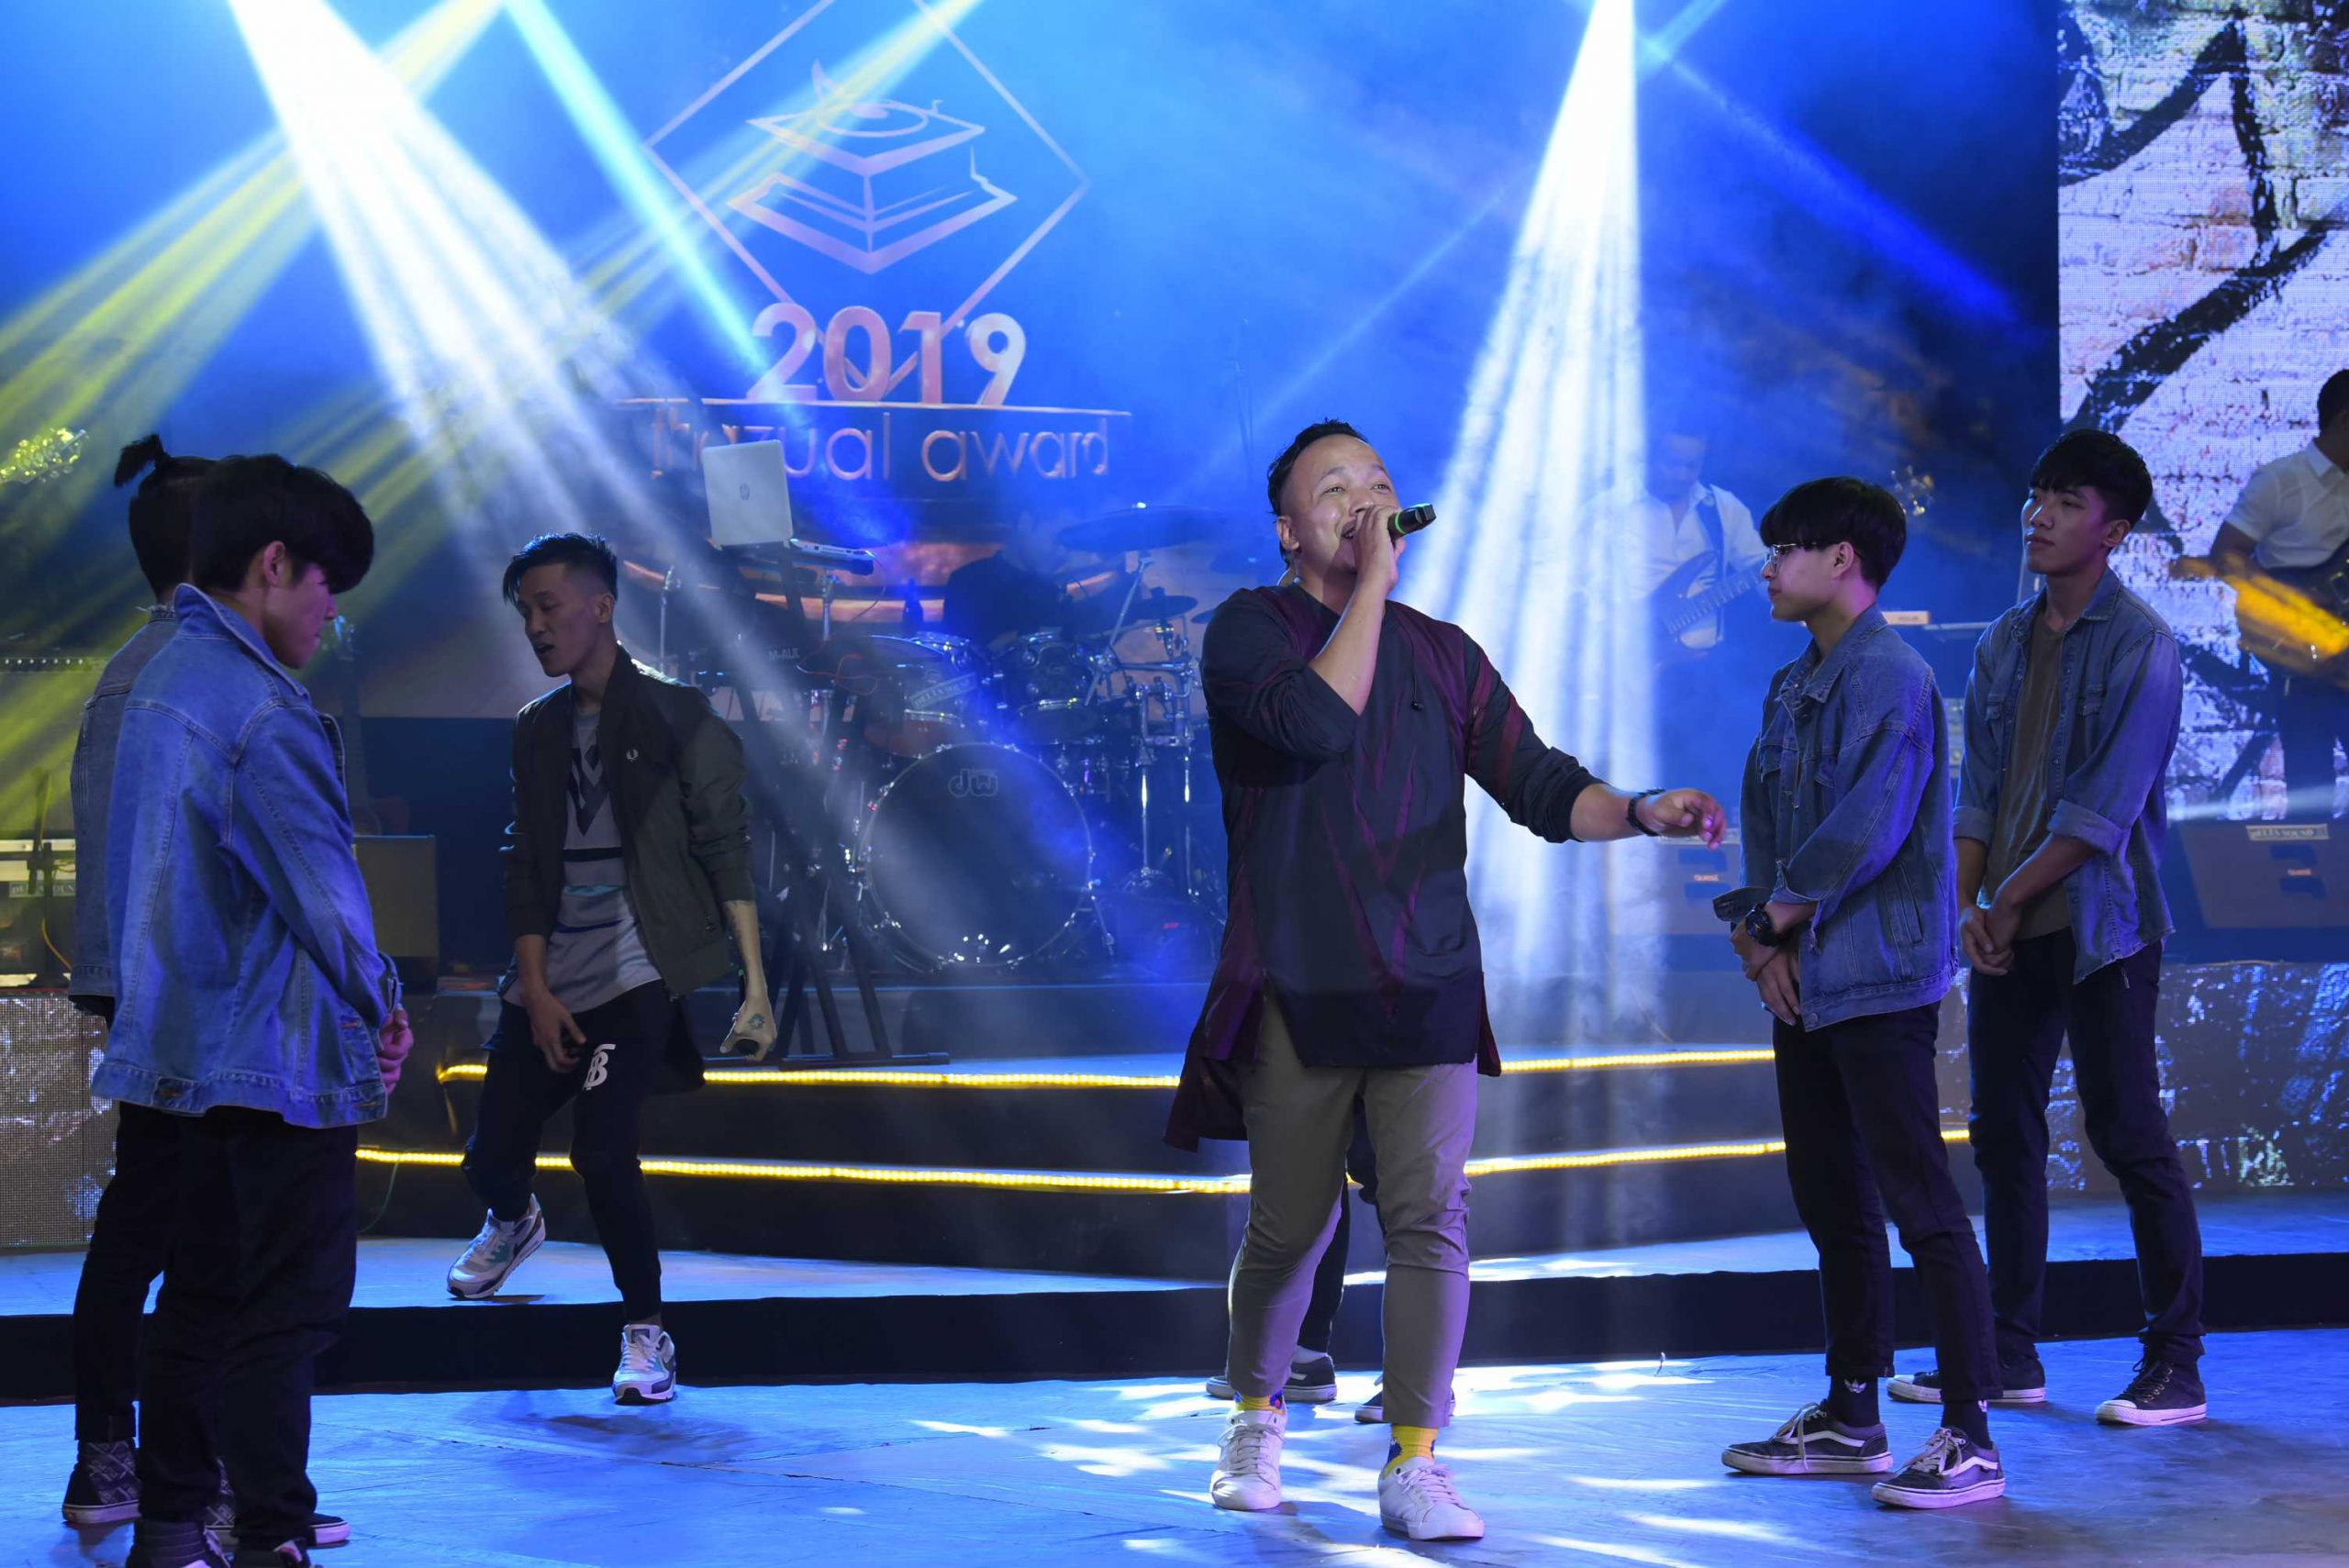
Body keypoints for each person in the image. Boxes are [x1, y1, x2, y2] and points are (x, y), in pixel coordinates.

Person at [1169, 418, 1726, 1542]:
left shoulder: (1445, 653)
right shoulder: (1248, 630)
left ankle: (1416, 1456)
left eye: (1377, 481)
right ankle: (1255, 1417)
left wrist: (1637, 809)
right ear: (1288, 531)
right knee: (1290, 1226)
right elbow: (1316, 721)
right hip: (1295, 979)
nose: (1364, 499)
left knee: (1431, 1220)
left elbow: (1538, 782)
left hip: (1424, 975)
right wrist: (1372, 587)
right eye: (1335, 488)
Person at [103, 455, 412, 1568]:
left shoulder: (156, 681)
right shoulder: (263, 709)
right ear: (274, 563)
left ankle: (172, 1522)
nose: (333, 611)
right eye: (328, 583)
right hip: (275, 1059)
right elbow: (324, 891)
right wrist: (382, 1000)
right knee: (287, 1306)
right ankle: (272, 1529)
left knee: (196, 1298)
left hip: (180, 1053)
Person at [1885, 430, 2205, 1425]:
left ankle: (2176, 1363)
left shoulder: (2143, 643)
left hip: (2103, 924)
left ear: (2113, 531)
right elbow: (1976, 791)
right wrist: (1968, 904)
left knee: (2126, 1131)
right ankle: (2006, 1353)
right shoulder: (2003, 640)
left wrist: (2005, 899)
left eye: (2067, 501)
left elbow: (2102, 812)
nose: (2040, 514)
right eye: (2037, 495)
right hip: (2008, 921)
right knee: (2003, 1135)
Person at [1718, 476, 2006, 1509]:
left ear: (1842, 558)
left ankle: (1971, 1432)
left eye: (1784, 548)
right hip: (1805, 973)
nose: (1767, 568)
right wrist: (1764, 943)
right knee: (1833, 1199)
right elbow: (1765, 817)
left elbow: (1866, 830)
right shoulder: (1793, 682)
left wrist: (1772, 923)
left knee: (1920, 1202)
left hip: (1877, 976)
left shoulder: (1892, 675)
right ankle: (1852, 1414)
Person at [446, 533, 776, 1404]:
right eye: (526, 612)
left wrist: (754, 987)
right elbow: (523, 861)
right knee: (489, 1154)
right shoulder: (537, 728)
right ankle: (513, 1219)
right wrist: (535, 987)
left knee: (601, 1150)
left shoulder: (677, 715)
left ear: (601, 606)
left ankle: (647, 1331)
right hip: (552, 966)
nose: (535, 626)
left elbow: (726, 849)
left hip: (636, 968)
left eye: (549, 607)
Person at [61, 438, 216, 1531]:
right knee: (190, 1232)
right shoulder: (190, 676)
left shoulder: (132, 668)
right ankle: (177, 1472)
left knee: (143, 1223)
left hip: (141, 979)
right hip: (188, 989)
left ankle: (115, 1459)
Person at [2207, 369, 2349, 818]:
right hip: (2302, 659)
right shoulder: (2281, 480)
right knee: (2311, 790)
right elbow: (2226, 557)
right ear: (2344, 420)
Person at [941, 506, 1077, 650]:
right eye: (1057, 540)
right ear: (1026, 523)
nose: (1062, 553)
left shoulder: (1053, 590)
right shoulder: (970, 581)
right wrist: (1029, 633)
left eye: (1069, 546)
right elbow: (957, 653)